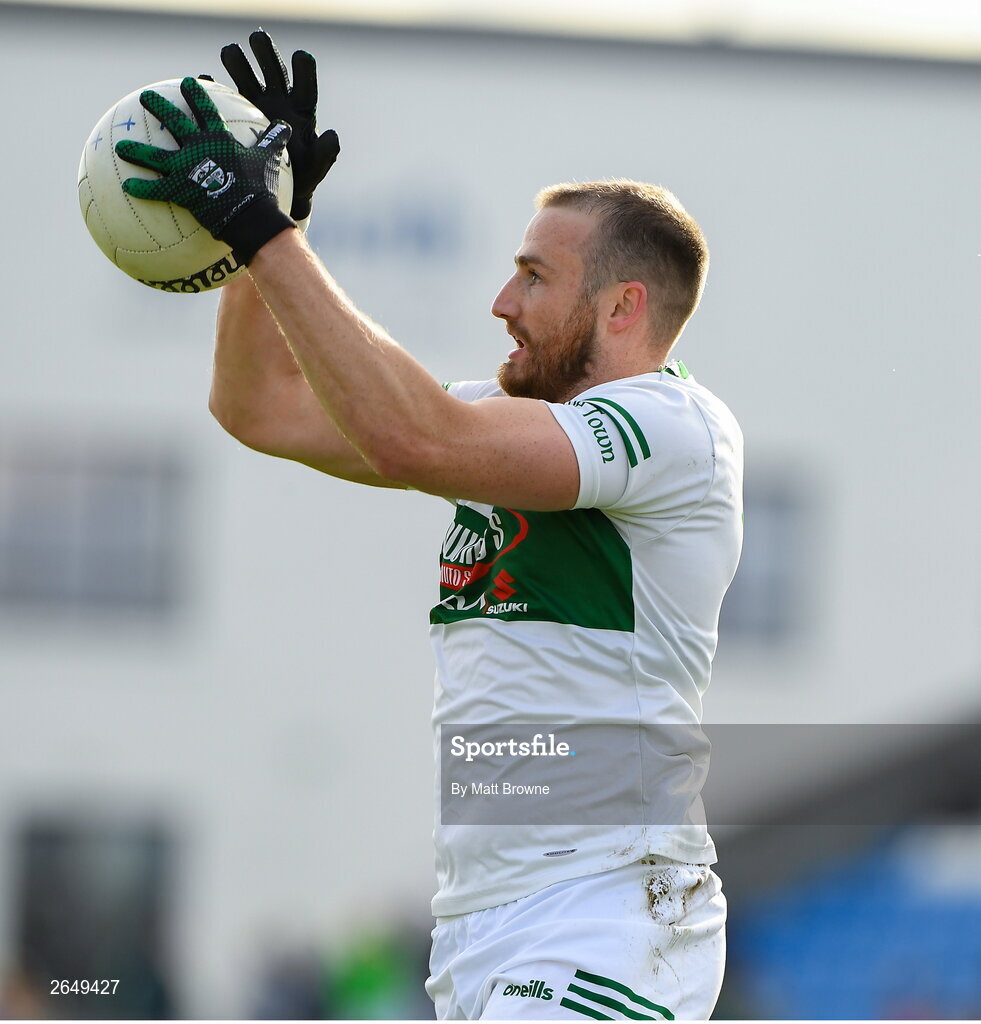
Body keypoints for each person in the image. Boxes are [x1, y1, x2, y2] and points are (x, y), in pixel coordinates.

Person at [116, 31, 743, 1020]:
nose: (502, 302)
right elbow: (258, 408)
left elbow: (413, 437)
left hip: (609, 913)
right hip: (486, 921)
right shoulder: (498, 436)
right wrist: (268, 230)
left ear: (624, 307)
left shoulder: (674, 430)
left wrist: (265, 232)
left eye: (534, 276)